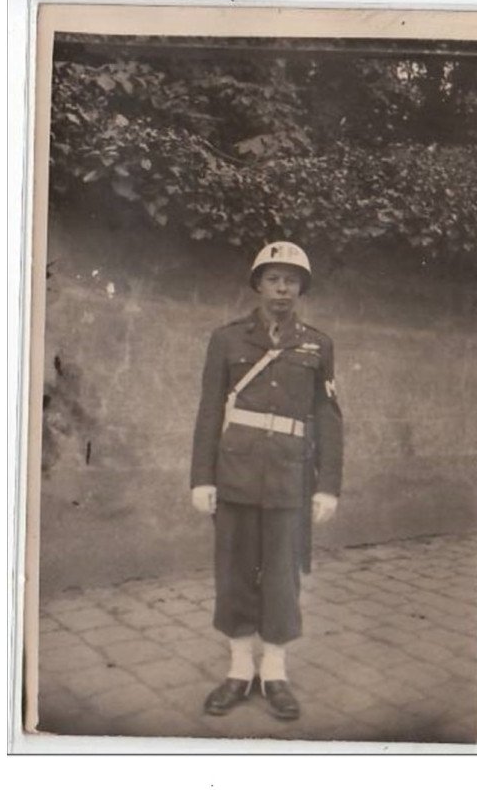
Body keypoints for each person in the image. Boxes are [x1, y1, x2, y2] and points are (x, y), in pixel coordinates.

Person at [190, 241, 343, 720]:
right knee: (234, 573)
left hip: (290, 480)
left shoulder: (318, 345)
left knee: (282, 577)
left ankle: (274, 672)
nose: (282, 288)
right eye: (273, 278)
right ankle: (239, 671)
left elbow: (328, 416)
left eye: (291, 280)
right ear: (258, 284)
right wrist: (201, 478)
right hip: (233, 474)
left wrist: (328, 484)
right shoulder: (227, 339)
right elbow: (209, 411)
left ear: (301, 289)